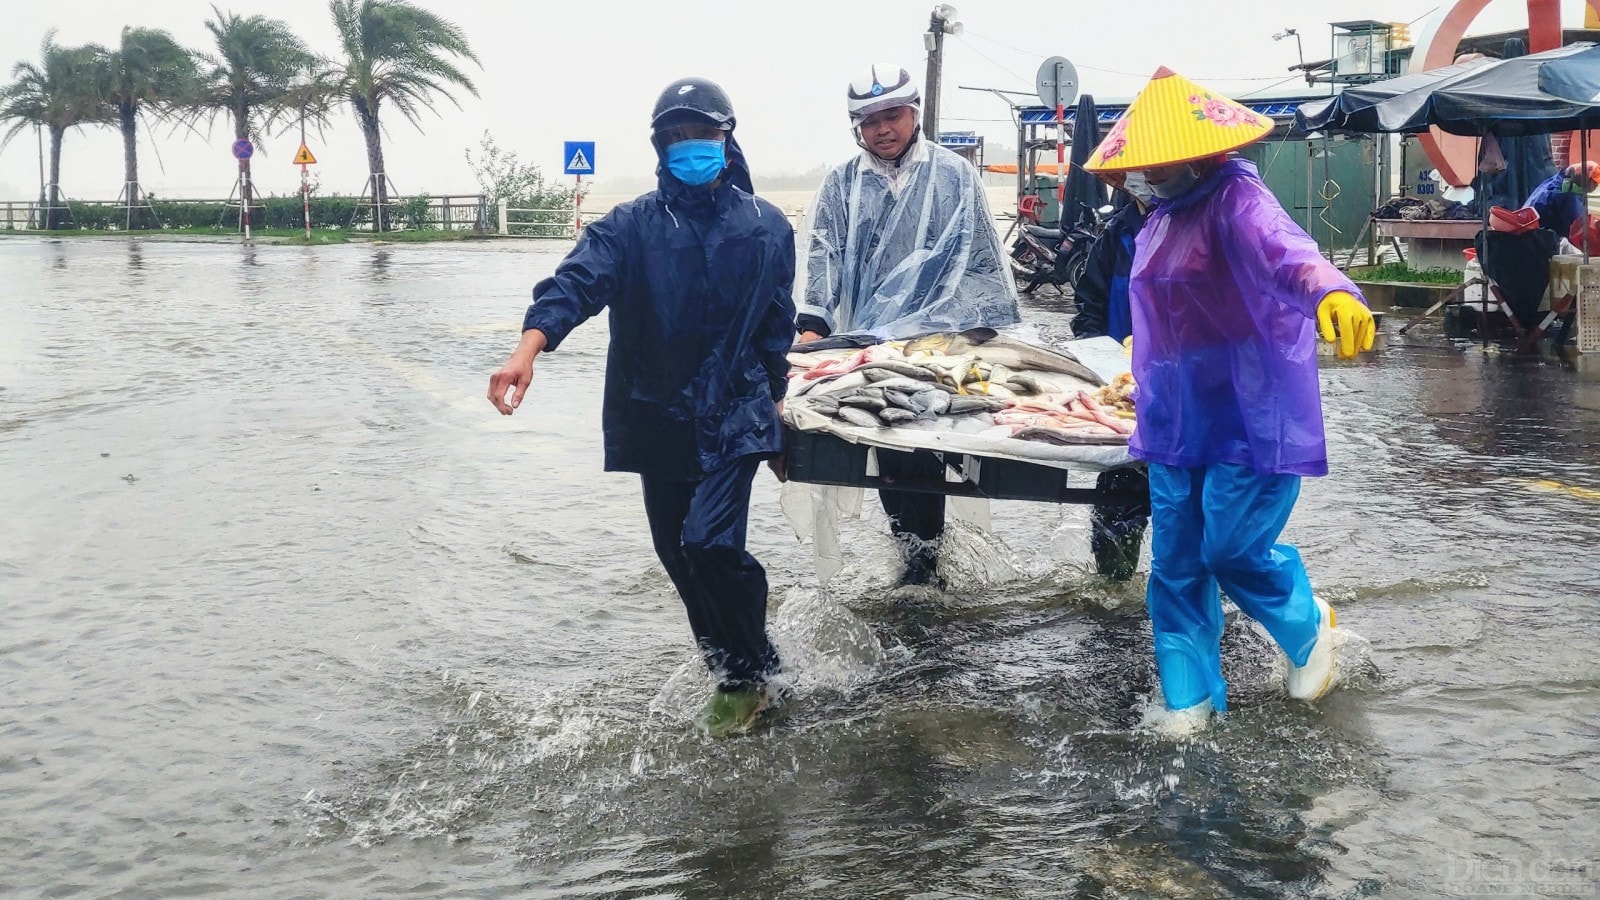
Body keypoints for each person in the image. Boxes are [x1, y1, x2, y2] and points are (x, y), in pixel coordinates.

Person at [487, 77, 796, 737]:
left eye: (703, 136)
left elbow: (776, 327)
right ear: (661, 147)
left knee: (708, 543)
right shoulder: (631, 227)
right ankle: (736, 669)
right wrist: (527, 349)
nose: (692, 149)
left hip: (736, 416)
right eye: (678, 138)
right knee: (678, 556)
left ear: (726, 138)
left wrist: (778, 421)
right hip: (658, 416)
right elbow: (577, 282)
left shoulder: (768, 227)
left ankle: (753, 671)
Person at [1084, 67, 1376, 732]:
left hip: (1247, 412)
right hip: (1173, 416)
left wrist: (1332, 291)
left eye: (1157, 163)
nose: (1146, 174)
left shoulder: (1238, 200)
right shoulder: (1162, 214)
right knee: (1177, 562)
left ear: (1196, 150)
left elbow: (1289, 254)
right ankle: (1187, 696)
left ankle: (1307, 625)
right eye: (1141, 165)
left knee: (1232, 548)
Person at [796, 62, 1021, 587]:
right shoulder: (841, 186)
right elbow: (825, 258)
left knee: (944, 440)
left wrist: (993, 328)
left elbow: (983, 257)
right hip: (874, 347)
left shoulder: (953, 176)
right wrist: (812, 329)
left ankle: (930, 560)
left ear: (912, 112)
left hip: (945, 342)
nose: (883, 128)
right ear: (857, 128)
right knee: (889, 445)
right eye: (870, 120)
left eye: (892, 114)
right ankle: (917, 561)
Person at [1071, 175, 1154, 582]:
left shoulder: (1198, 225)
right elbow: (1089, 303)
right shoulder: (1116, 233)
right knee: (1118, 509)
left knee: (1195, 519)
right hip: (1123, 400)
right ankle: (1116, 591)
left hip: (1187, 400)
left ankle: (1192, 604)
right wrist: (1101, 360)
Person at [1526, 161, 1600, 238]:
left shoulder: (1562, 181)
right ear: (1584, 178)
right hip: (1540, 238)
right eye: (1594, 182)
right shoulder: (1565, 193)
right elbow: (1574, 229)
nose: (1596, 185)